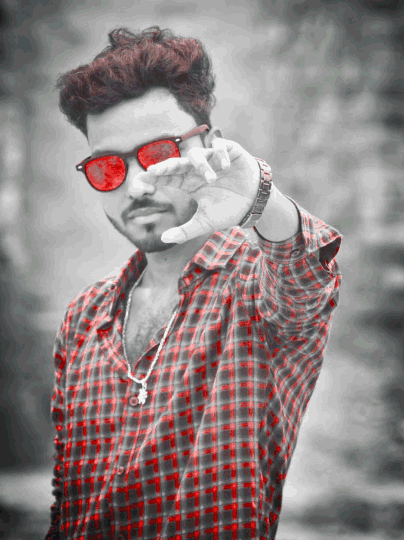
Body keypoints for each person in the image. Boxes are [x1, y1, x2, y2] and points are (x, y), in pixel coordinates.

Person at [46, 25, 342, 540]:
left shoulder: (256, 290)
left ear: (210, 145)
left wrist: (260, 199)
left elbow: (302, 276)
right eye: (108, 166)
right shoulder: (83, 317)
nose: (137, 184)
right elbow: (68, 501)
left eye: (161, 153)